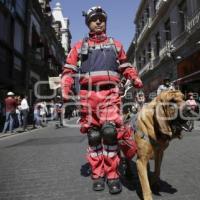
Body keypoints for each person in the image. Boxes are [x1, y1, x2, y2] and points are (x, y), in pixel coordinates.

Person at [61, 6, 143, 194]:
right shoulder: (79, 46)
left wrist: (134, 77)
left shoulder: (116, 45)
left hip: (110, 94)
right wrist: (65, 88)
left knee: (109, 133)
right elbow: (68, 70)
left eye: (101, 19)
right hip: (88, 96)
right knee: (94, 136)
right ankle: (98, 174)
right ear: (88, 23)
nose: (98, 22)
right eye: (93, 19)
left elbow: (126, 66)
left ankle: (113, 175)